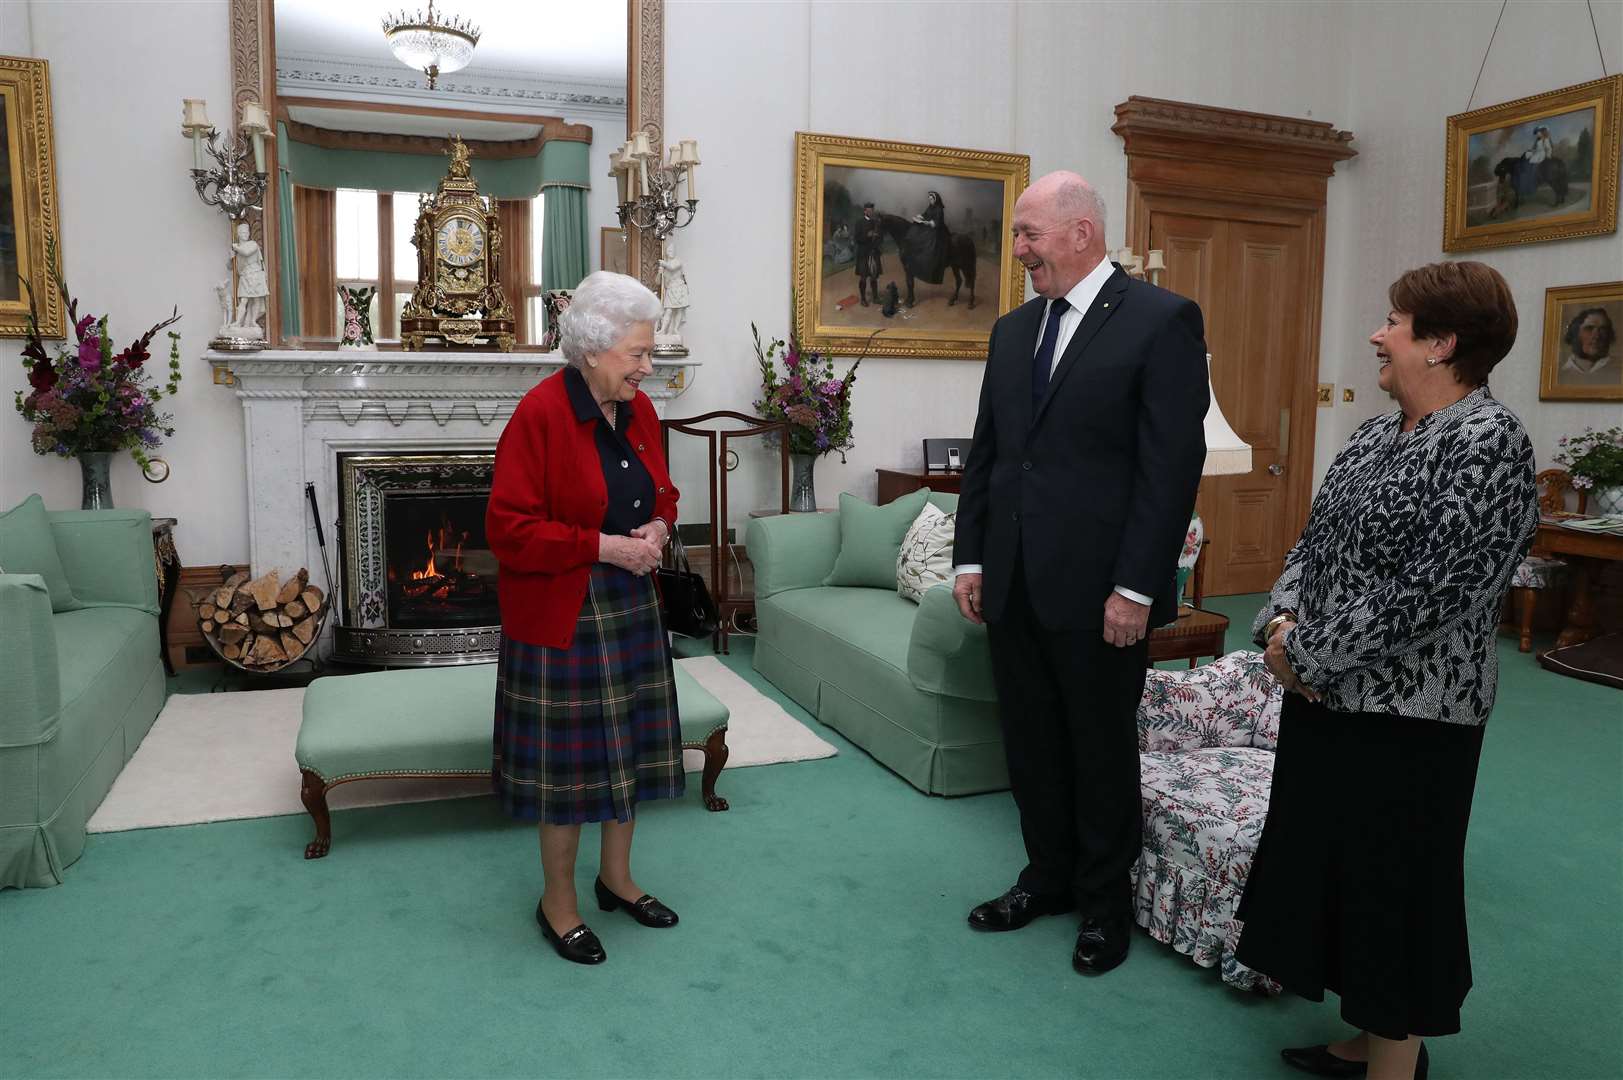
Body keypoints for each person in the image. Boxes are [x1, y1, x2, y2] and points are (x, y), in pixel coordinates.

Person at [1235, 261, 1537, 1080]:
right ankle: (1364, 1038)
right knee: (1335, 874)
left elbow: (1438, 590)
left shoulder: (1489, 441)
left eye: (1394, 321)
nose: (1377, 333)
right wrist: (1280, 621)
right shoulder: (1374, 432)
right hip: (1326, 699)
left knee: (1394, 889)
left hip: (1414, 718)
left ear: (1441, 343)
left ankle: (1394, 1066)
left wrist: (1304, 653)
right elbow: (1312, 541)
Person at [951, 170, 1209, 976]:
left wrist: (1136, 587)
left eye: (1028, 234)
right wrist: (972, 554)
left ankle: (1104, 905)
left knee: (1098, 750)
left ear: (1081, 232)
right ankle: (1045, 878)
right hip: (1014, 582)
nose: (1019, 250)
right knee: (1028, 744)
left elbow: (1169, 469)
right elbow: (989, 454)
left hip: (1102, 592)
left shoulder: (1161, 321)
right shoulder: (1011, 329)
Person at [485, 271, 685, 966]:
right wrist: (602, 546)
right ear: (594, 350)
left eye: (646, 351)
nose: (646, 365)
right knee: (568, 778)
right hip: (564, 609)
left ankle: (617, 879)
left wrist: (659, 525)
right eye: (636, 353)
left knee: (625, 751)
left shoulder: (641, 410)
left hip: (630, 601)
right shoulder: (540, 413)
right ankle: (557, 902)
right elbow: (507, 531)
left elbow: (664, 490)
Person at [1558, 306, 1620, 388]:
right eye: (1589, 328)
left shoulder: (1619, 370)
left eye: (1603, 329)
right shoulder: (1560, 373)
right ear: (1575, 333)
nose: (1597, 336)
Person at [229, 223, 267, 335]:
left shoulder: (252, 244)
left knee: (256, 300)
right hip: (245, 276)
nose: (246, 234)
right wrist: (231, 257)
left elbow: (246, 252)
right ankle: (238, 322)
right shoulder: (237, 249)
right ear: (238, 234)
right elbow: (230, 266)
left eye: (247, 232)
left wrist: (235, 247)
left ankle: (253, 321)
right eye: (243, 233)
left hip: (255, 274)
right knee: (243, 300)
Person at [910, 190, 949, 287]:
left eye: (931, 199)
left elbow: (937, 223)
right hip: (930, 227)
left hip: (938, 230)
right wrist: (919, 217)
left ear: (935, 199)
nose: (930, 200)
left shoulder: (939, 209)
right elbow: (925, 214)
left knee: (931, 242)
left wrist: (926, 222)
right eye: (929, 199)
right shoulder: (930, 207)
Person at [656, 240, 690, 341]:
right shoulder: (665, 266)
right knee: (668, 310)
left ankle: (675, 329)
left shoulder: (677, 262)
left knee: (679, 309)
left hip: (679, 288)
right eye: (668, 250)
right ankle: (663, 329)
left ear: (674, 252)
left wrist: (664, 264)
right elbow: (658, 282)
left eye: (671, 250)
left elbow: (672, 267)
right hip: (670, 289)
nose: (669, 252)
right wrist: (660, 272)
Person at [853, 202, 885, 306]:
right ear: (865, 211)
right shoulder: (859, 222)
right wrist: (867, 235)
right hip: (863, 254)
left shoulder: (876, 222)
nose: (871, 212)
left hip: (873, 253)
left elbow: (881, 238)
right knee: (863, 277)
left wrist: (877, 237)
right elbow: (856, 238)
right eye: (869, 210)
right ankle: (863, 299)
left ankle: (875, 298)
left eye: (872, 210)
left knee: (874, 276)